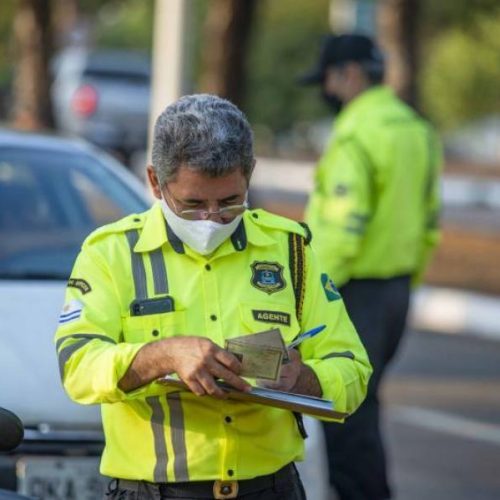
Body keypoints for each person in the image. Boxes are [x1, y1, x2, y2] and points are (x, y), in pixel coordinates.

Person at [54, 94, 372, 500]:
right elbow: (77, 367)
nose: (211, 220)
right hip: (155, 492)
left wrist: (303, 380)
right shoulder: (110, 253)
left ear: (250, 175)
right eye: (192, 205)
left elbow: (353, 368)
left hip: (270, 489)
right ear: (155, 181)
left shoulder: (289, 251)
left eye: (229, 203)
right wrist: (163, 356)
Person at [299, 34, 442, 500]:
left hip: (351, 291)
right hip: (394, 292)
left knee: (343, 416)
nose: (327, 91)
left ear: (350, 75)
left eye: (328, 81)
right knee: (363, 409)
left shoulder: (356, 134)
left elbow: (344, 228)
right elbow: (429, 222)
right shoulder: (417, 130)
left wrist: (308, 294)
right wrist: (404, 281)